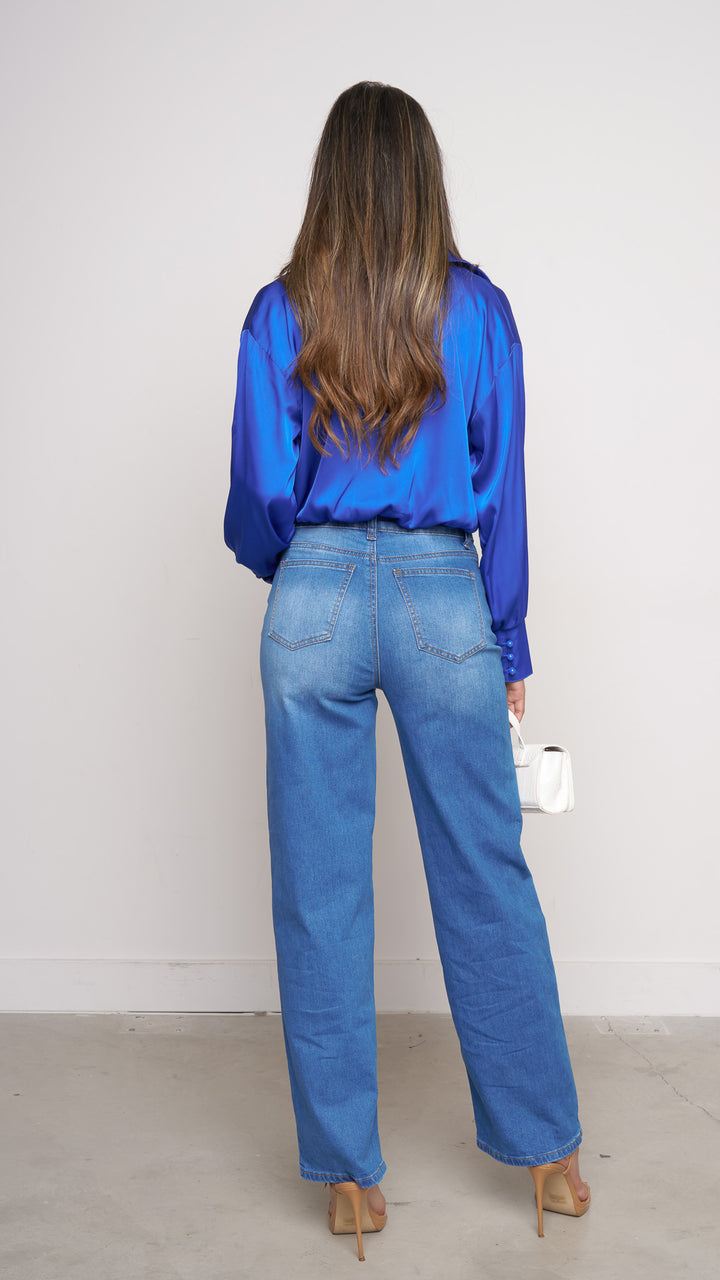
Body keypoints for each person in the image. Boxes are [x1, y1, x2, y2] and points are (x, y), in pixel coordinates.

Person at [223, 80, 591, 1260]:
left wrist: (302, 570)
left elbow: (260, 491)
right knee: (487, 873)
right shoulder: (478, 310)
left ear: (330, 177)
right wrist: (509, 638)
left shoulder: (280, 310)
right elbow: (506, 485)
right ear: (425, 176)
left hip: (315, 592)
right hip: (442, 593)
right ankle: (551, 1159)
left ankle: (346, 1176)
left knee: (320, 890)